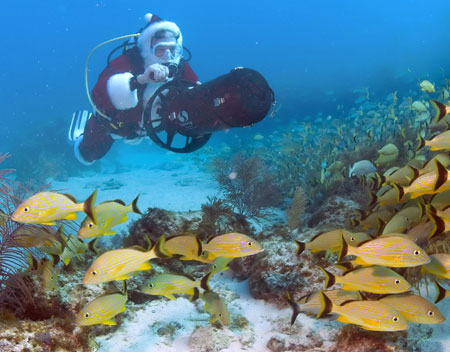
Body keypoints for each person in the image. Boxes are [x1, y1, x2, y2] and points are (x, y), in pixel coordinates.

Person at [69, 13, 199, 165]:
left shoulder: (179, 66)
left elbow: (197, 93)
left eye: (172, 50)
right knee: (87, 155)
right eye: (160, 50)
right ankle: (79, 128)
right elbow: (98, 95)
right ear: (148, 47)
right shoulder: (128, 61)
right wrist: (139, 80)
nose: (167, 56)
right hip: (115, 126)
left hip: (152, 128)